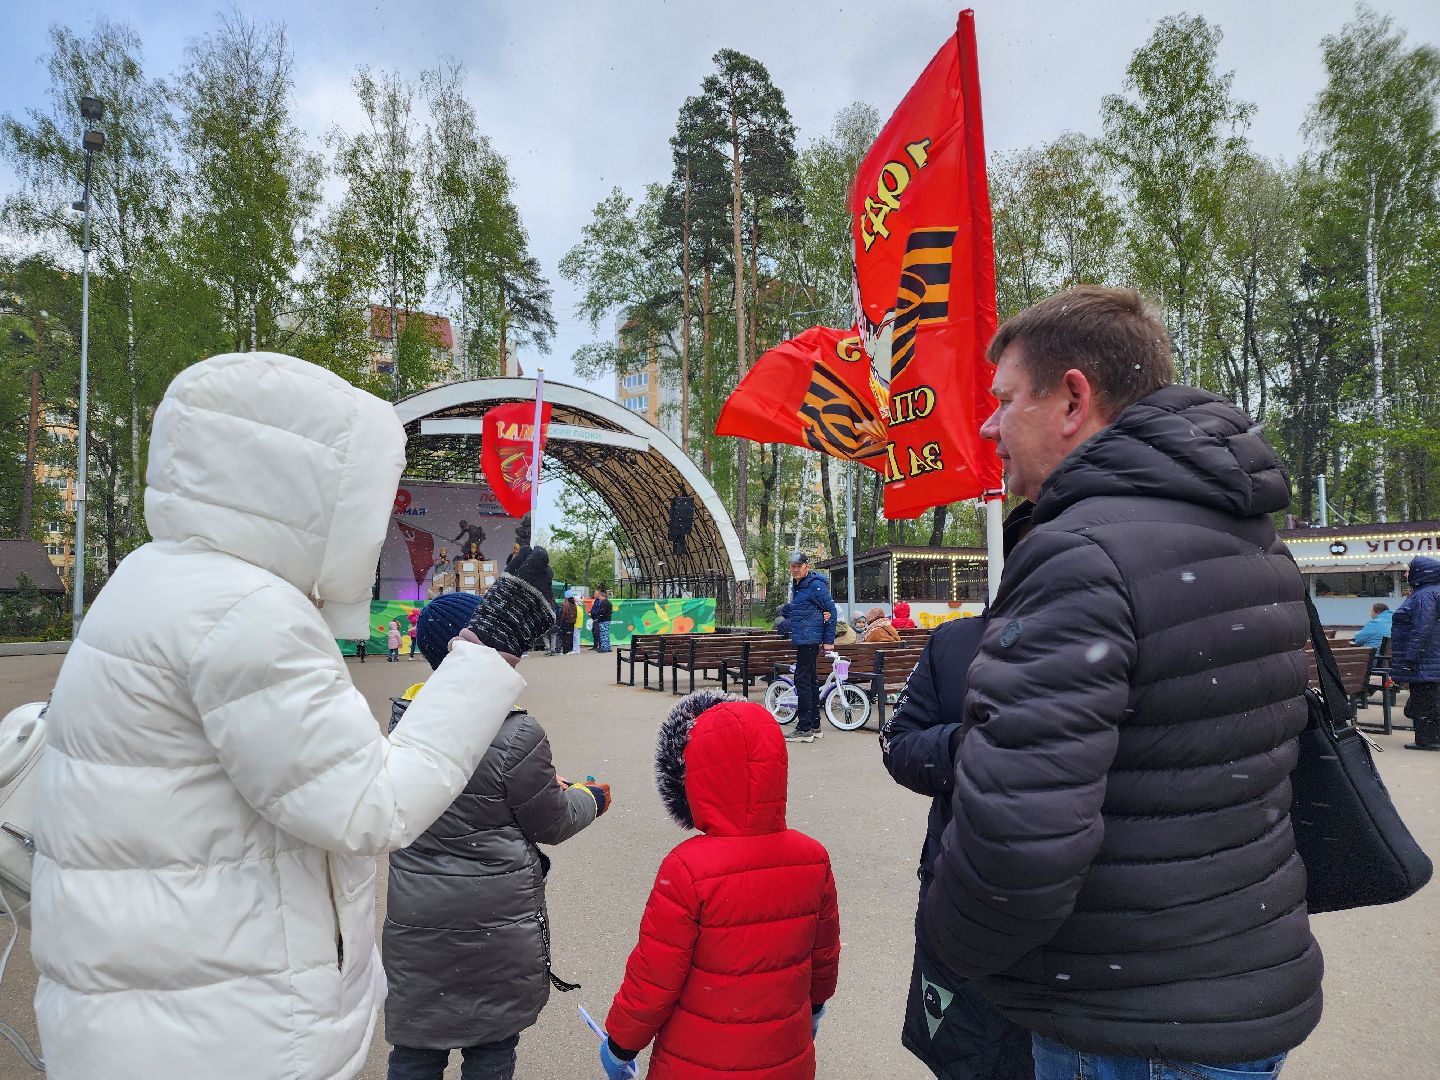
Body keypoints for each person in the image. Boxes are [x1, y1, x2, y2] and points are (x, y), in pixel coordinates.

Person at [31, 351, 558, 1079]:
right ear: (311, 491)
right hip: (223, 1030)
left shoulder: (155, 580)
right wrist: (491, 651)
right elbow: (372, 804)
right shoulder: (244, 612)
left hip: (155, 1009)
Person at [921, 287, 1322, 1079]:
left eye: (1004, 401)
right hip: (1238, 986)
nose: (989, 426)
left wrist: (951, 946)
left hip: (1122, 1020)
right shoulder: (1248, 534)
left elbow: (1022, 844)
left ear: (1073, 397)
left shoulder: (1082, 554)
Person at [383, 592, 611, 1080]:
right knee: (491, 1046)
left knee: (416, 1045)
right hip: (496, 924)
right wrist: (590, 797)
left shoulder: (401, 723)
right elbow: (551, 821)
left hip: (418, 918)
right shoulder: (515, 733)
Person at [598, 692, 840, 1079]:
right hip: (785, 1055)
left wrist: (621, 1043)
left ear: (695, 774)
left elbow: (655, 977)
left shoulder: (687, 868)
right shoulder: (812, 857)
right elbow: (823, 956)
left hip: (696, 1061)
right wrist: (814, 1009)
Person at [880, 617, 1034, 1080]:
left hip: (1077, 933)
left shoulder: (1118, 628)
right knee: (966, 1057)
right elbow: (897, 741)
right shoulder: (955, 641)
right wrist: (966, 745)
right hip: (959, 907)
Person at [780, 552, 837, 745]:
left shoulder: (815, 585)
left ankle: (804, 728)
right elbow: (808, 611)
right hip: (805, 637)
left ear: (807, 566)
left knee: (802, 680)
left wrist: (829, 640)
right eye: (793, 566)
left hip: (809, 639)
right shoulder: (800, 585)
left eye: (799, 566)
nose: (795, 569)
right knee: (811, 681)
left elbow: (832, 610)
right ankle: (814, 725)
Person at [1391, 555, 1440, 752]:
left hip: (1423, 661)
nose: (1405, 574)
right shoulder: (1431, 593)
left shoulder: (1423, 596)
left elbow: (1423, 628)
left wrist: (1411, 657)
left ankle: (1427, 740)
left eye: (1408, 570)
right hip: (1432, 658)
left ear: (1421, 572)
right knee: (1430, 698)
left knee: (1424, 699)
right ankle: (1431, 737)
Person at [591, 586, 614, 653]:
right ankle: (608, 647)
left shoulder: (604, 603)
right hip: (607, 619)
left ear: (603, 596)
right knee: (606, 634)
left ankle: (604, 648)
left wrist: (599, 617)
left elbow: (602, 612)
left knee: (603, 634)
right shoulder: (609, 602)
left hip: (603, 620)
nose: (599, 598)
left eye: (600, 597)